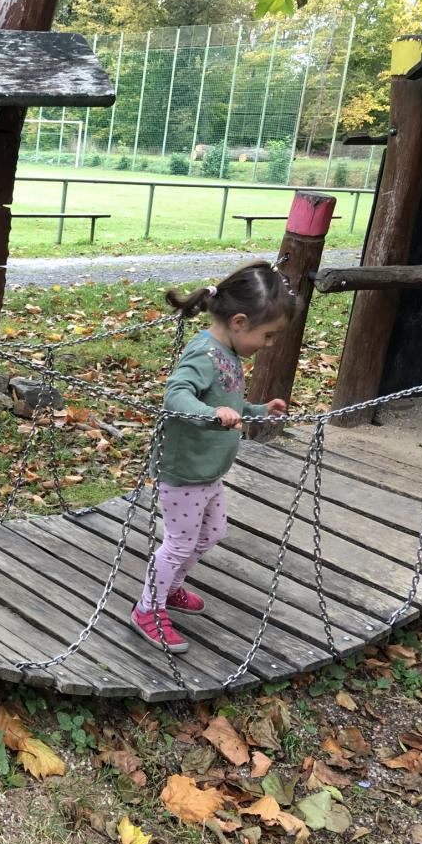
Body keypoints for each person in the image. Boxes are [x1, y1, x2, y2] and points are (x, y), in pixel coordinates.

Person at [132, 260, 293, 654]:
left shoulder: (229, 353)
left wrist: (258, 410)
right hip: (184, 472)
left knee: (212, 534)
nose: (269, 344)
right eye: (268, 336)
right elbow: (176, 395)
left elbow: (228, 404)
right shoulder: (204, 353)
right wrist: (210, 414)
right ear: (239, 322)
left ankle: (170, 588)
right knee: (179, 544)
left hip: (209, 472)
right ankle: (147, 608)